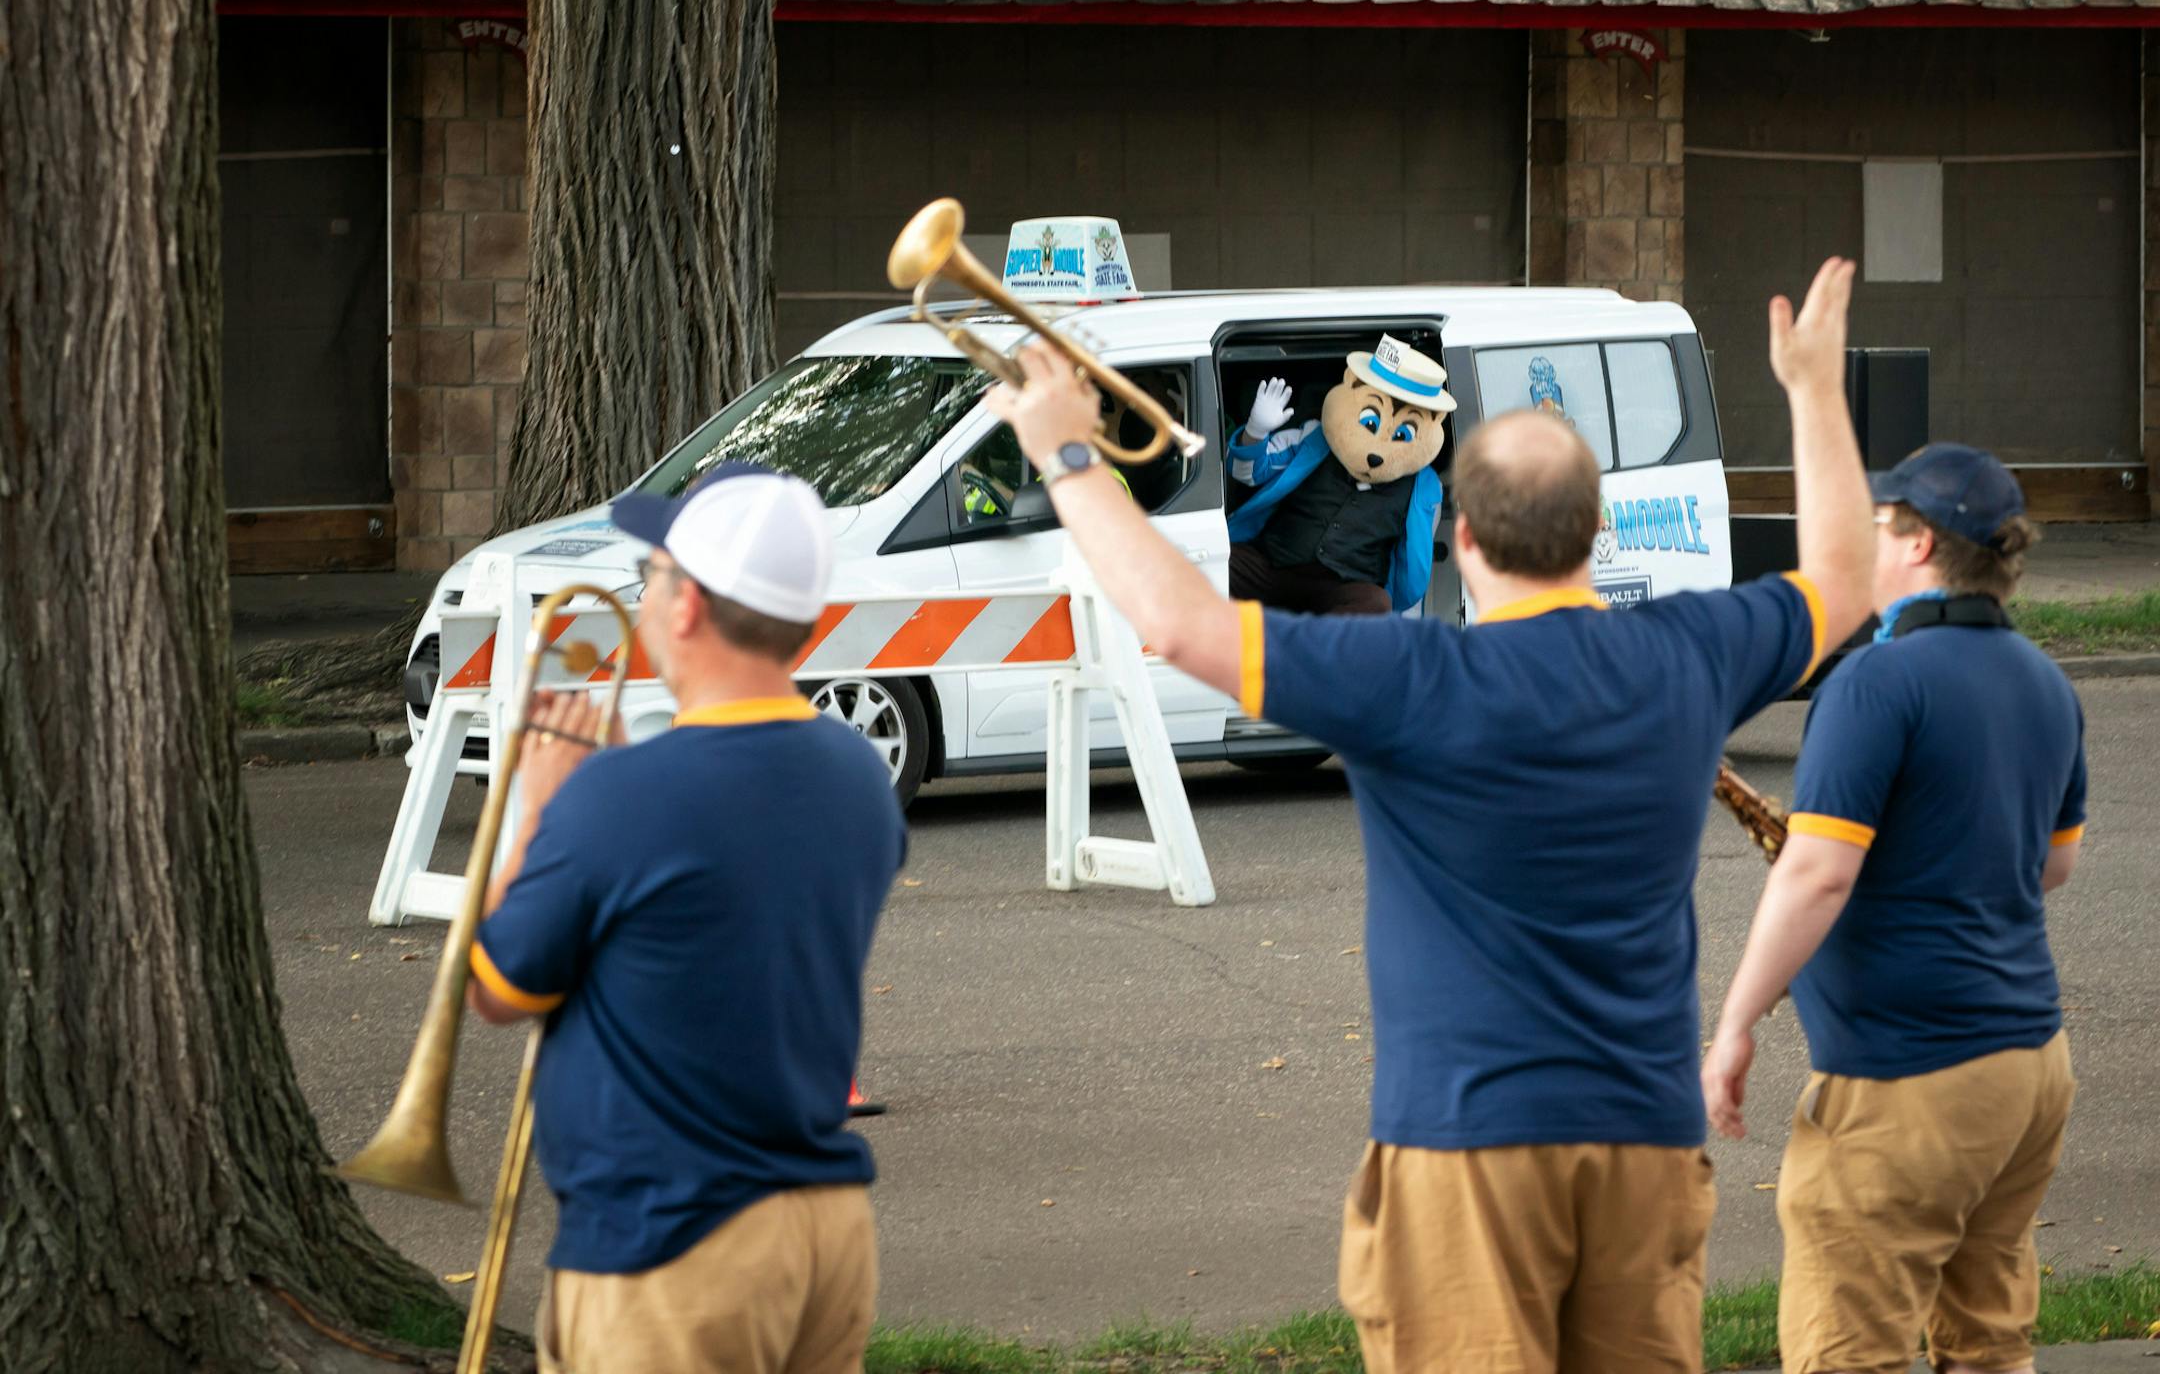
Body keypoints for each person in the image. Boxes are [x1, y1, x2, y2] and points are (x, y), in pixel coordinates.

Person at [986, 257, 1877, 1374]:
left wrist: (1070, 455)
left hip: (1469, 1151)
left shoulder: (1408, 678)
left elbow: (1177, 622)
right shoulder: (1688, 655)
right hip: (1646, 1140)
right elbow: (1847, 581)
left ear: (1459, 537)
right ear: (1595, 532)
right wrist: (1812, 390)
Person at [465, 463, 906, 1374]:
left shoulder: (622, 801)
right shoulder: (857, 772)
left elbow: (499, 986)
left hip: (673, 1241)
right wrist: (607, 800)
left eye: (653, 574)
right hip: (824, 1228)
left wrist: (548, 811)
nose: (643, 591)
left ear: (689, 607)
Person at [1701, 444, 2086, 1374]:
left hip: (1910, 1075)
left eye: (1877, 526)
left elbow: (1818, 876)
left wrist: (1737, 1020)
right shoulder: (2047, 683)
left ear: (1917, 546)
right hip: (2029, 1068)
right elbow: (2049, 870)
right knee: (1990, 1341)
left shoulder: (1872, 683)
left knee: (1848, 1350)